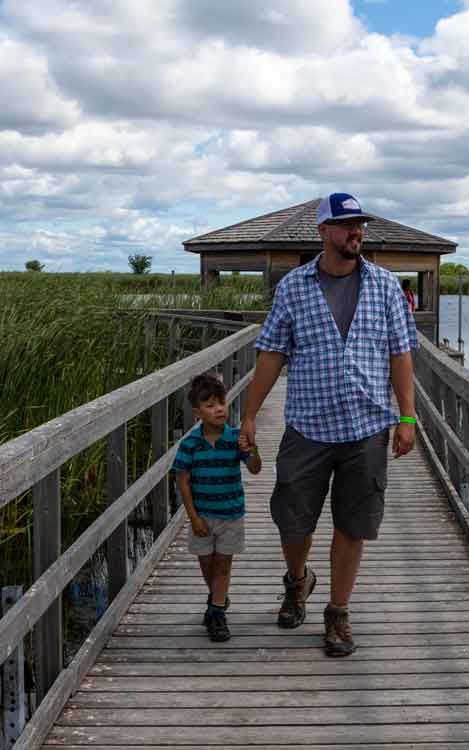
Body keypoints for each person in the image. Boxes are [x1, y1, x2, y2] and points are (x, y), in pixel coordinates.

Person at [239, 192, 417, 657]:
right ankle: (298, 581)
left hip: (367, 427)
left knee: (353, 525)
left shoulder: (385, 286)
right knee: (292, 521)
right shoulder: (293, 287)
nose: (355, 231)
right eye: (346, 225)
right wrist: (250, 414)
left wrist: (408, 416)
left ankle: (338, 613)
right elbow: (272, 353)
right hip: (308, 426)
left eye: (359, 224)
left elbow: (401, 355)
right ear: (323, 232)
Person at [172, 373, 262, 642]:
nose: (219, 409)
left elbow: (255, 469)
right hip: (203, 515)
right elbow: (183, 481)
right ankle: (218, 598)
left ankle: (216, 612)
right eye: (210, 405)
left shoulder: (235, 438)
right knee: (207, 565)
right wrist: (193, 517)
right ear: (197, 413)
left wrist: (253, 448)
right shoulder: (190, 444)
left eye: (221, 402)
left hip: (231, 513)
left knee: (223, 565)